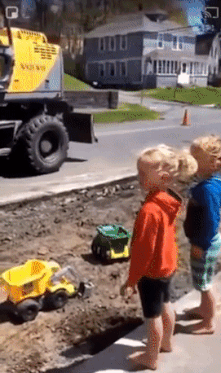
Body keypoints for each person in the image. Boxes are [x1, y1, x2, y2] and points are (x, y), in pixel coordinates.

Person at [120, 145, 198, 370]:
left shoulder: (149, 211)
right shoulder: (169, 199)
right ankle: (166, 342)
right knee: (167, 303)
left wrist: (132, 280)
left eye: (142, 174)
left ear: (163, 177)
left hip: (152, 271)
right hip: (168, 264)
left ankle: (151, 357)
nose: (138, 178)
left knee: (152, 315)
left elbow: (143, 251)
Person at [183, 135, 221, 334]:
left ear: (212, 164)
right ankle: (202, 309)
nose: (191, 162)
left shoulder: (206, 190)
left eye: (195, 159)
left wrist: (200, 244)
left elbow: (210, 220)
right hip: (207, 241)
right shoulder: (212, 182)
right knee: (202, 279)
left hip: (204, 243)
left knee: (204, 284)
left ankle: (208, 323)